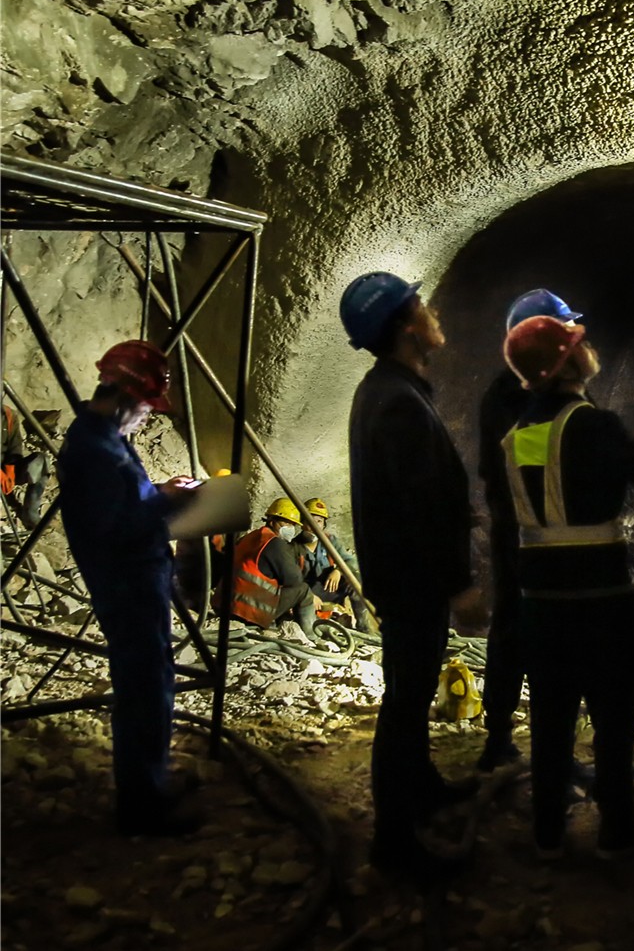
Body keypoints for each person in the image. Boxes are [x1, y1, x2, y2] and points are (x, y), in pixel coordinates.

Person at [499, 315, 634, 858]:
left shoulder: (516, 433)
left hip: (540, 599)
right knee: (613, 713)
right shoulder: (593, 424)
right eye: (578, 344)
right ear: (567, 363)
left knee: (552, 716)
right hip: (598, 595)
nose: (589, 346)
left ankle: (547, 831)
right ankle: (617, 828)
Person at [342, 271, 478, 881]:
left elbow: (419, 489)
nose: (434, 313)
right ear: (405, 327)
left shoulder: (389, 388)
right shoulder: (395, 400)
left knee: (413, 691)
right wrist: (459, 585)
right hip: (413, 581)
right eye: (422, 306)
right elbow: (417, 505)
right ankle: (394, 843)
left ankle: (420, 788)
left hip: (404, 578)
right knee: (403, 703)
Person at [56, 341, 201, 836]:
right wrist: (167, 506)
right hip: (127, 586)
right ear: (122, 393)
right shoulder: (94, 450)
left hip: (138, 580)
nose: (147, 416)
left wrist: (158, 491)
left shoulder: (105, 438)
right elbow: (112, 527)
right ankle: (144, 809)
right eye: (145, 406)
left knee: (152, 683)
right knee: (143, 691)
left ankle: (152, 786)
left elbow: (124, 502)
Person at [475, 288, 583, 771]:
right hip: (527, 541)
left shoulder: (536, 393)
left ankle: (543, 745)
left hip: (539, 540)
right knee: (518, 635)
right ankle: (500, 739)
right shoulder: (510, 398)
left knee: (538, 639)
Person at [225, 498, 319, 640]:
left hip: (226, 606)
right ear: (272, 520)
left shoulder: (252, 536)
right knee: (303, 589)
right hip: (249, 611)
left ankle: (279, 622)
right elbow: (294, 580)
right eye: (285, 522)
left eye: (293, 524)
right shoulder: (275, 543)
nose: (290, 527)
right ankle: (311, 637)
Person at [295, 497, 376, 634]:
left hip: (329, 588)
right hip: (308, 595)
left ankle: (363, 627)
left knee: (355, 578)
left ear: (324, 524)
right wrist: (307, 594)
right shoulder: (294, 547)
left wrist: (338, 571)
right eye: (310, 520)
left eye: (319, 521)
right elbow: (290, 579)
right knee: (314, 630)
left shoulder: (330, 541)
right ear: (302, 523)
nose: (314, 525)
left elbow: (351, 561)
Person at [2, 402, 52, 531]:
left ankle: (30, 516)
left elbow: (15, 449)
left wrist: (10, 470)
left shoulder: (8, 415)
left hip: (4, 469)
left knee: (42, 460)